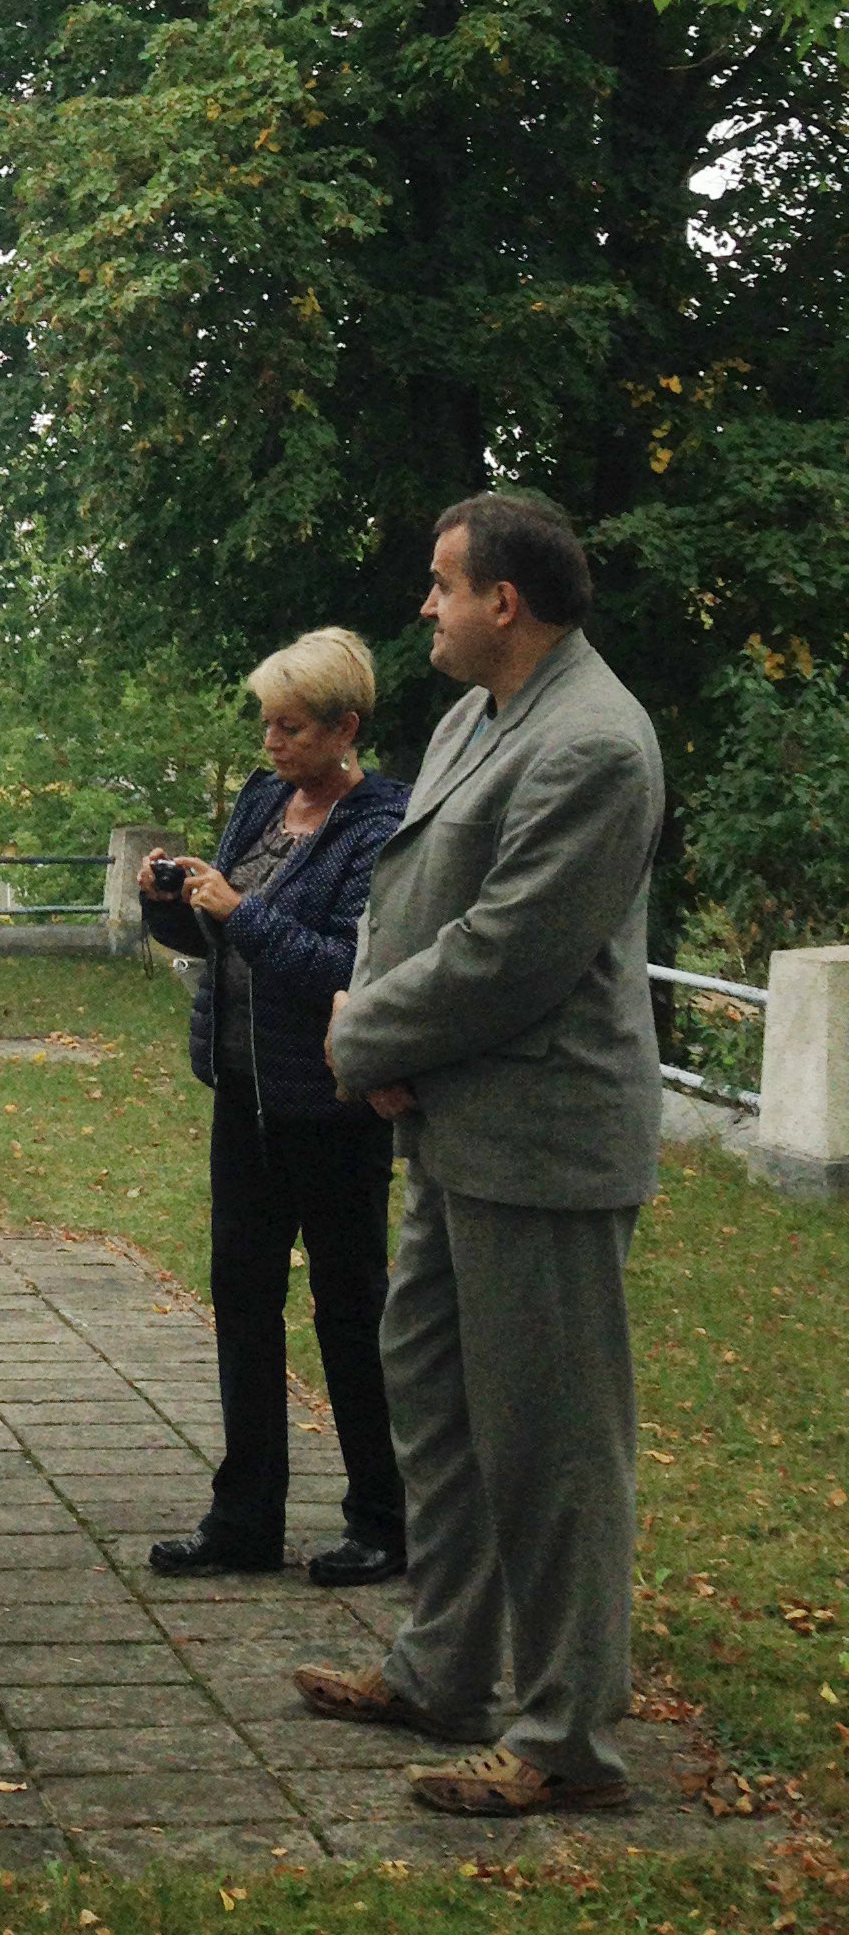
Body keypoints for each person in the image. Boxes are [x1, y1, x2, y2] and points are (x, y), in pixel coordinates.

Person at [299, 493, 665, 1816]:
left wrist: (367, 1035)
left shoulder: (596, 746)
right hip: (455, 1119)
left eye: (443, 583)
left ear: (505, 599)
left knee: (552, 1442)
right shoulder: (477, 716)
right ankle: (446, 1669)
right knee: (440, 1405)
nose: (427, 606)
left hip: (546, 1137)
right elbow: (412, 898)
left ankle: (566, 1735)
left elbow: (515, 947)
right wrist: (384, 1037)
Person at [139, 631, 411, 1584]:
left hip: (333, 1107)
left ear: (345, 727)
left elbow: (349, 969)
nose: (272, 742)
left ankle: (384, 1519)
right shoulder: (263, 803)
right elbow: (217, 942)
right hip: (245, 1097)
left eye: (291, 726)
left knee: (350, 1310)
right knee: (243, 1299)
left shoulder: (381, 823)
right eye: (267, 722)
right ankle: (245, 1516)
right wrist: (168, 903)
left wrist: (236, 909)